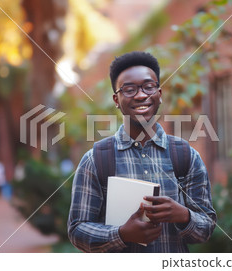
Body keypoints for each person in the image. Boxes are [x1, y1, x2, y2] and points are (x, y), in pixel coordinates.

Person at [68, 51, 216, 252]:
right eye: (129, 89)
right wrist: (121, 234)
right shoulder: (95, 160)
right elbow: (77, 231)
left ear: (159, 95)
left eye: (148, 87)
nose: (140, 95)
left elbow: (206, 229)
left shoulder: (186, 156)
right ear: (116, 100)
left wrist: (183, 215)